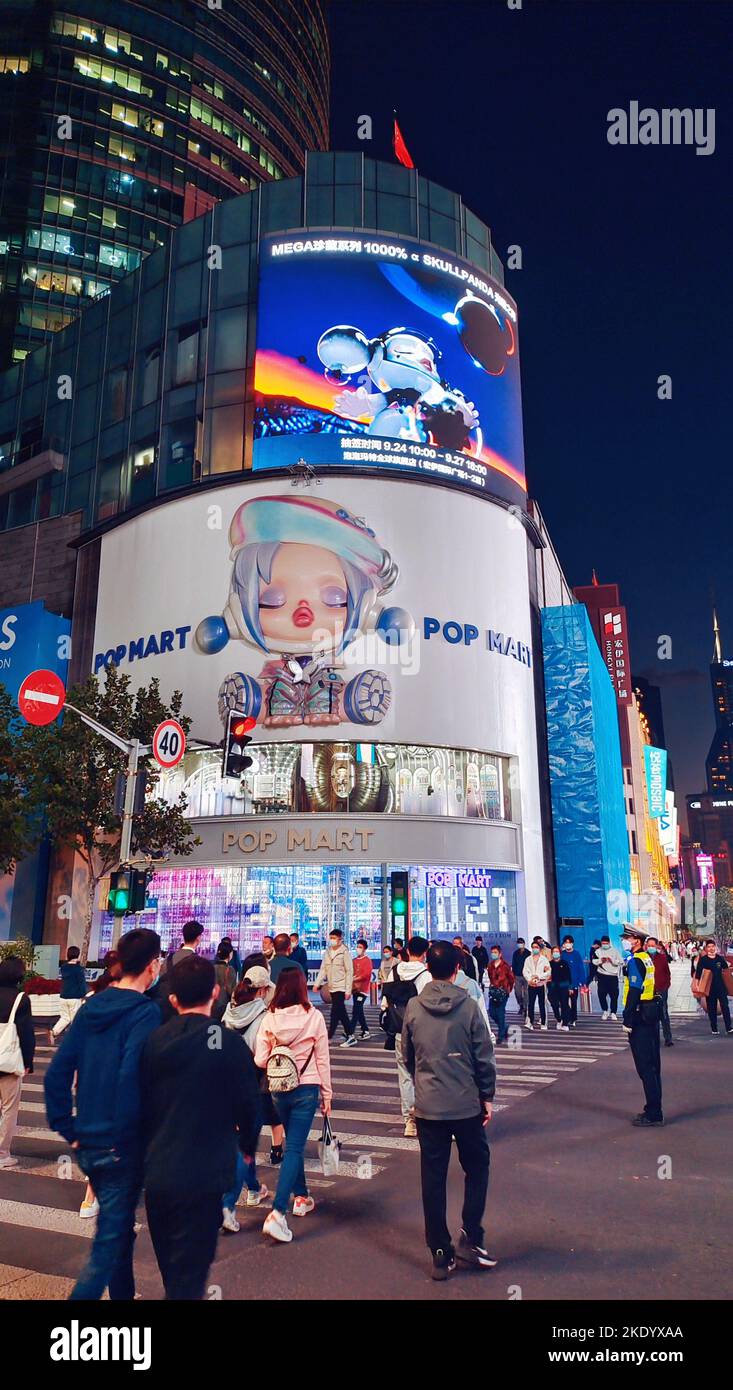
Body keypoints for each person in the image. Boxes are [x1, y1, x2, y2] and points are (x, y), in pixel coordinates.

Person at [44, 927, 162, 1300]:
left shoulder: (92, 1006)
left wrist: (70, 1129)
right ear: (152, 965)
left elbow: (58, 1073)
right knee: (105, 1249)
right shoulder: (145, 1013)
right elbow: (131, 1079)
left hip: (90, 1144)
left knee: (119, 1233)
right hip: (119, 1147)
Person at [141, 955, 260, 1297]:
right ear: (216, 992)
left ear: (173, 999)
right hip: (205, 1175)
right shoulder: (225, 1042)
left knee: (172, 1268)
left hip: (159, 1173)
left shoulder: (154, 1041)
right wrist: (248, 1149)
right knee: (191, 1274)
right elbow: (249, 1107)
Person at [403, 941, 496, 1281]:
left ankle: (440, 1253)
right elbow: (483, 1056)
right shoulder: (469, 1006)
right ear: (458, 969)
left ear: (428, 967)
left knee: (433, 1177)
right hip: (465, 1103)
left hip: (429, 1107)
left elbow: (408, 1056)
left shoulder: (414, 1006)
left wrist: (425, 1083)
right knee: (477, 1166)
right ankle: (471, 1236)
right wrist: (486, 1096)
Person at [255, 967, 332, 1244]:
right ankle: (277, 1213)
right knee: (295, 1147)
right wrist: (327, 1094)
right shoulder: (314, 1017)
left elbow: (260, 1059)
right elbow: (322, 1059)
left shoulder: (270, 1018)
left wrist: (280, 1052)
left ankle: (301, 1197)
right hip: (307, 1088)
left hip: (279, 1089)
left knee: (292, 1144)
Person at [381, 935, 431, 1136]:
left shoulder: (394, 971)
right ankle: (425, 1116)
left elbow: (385, 1002)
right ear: (425, 954)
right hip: (422, 1031)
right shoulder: (426, 975)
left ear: (408, 952)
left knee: (404, 1075)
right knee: (424, 1074)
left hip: (400, 1029)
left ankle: (409, 1121)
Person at [621, 925, 663, 1126]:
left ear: (636, 940)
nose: (624, 941)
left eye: (627, 938)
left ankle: (654, 1113)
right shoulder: (646, 957)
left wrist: (627, 1019)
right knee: (653, 1066)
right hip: (650, 1014)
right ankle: (653, 1108)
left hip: (640, 1017)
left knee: (645, 1067)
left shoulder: (637, 960)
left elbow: (635, 990)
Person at [0, 956, 35, 1170]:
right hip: (9, 1061)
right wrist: (28, 1061)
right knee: (8, 1108)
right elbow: (26, 1034)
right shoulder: (20, 998)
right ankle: (2, 1153)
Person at [314, 928, 356, 1046]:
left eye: (334, 938)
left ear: (340, 939)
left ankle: (331, 1035)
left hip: (341, 986)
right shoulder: (327, 952)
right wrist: (317, 983)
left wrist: (348, 990)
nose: (332, 940)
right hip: (332, 986)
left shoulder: (344, 952)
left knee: (336, 1010)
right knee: (339, 1011)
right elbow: (323, 969)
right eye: (330, 938)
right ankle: (349, 1034)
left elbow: (349, 971)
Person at [694, 939, 733, 1036]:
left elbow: (726, 969)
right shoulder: (703, 960)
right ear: (706, 949)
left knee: (725, 1007)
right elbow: (698, 973)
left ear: (715, 947)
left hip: (721, 988)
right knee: (711, 1009)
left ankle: (729, 1027)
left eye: (712, 946)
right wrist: (697, 985)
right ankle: (714, 1028)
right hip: (709, 989)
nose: (711, 948)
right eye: (709, 947)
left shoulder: (719, 958)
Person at [51, 945, 87, 1042]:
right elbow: (81, 983)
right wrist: (84, 994)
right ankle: (74, 1039)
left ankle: (54, 1031)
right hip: (74, 998)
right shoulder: (79, 969)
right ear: (78, 955)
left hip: (63, 996)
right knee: (75, 1019)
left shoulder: (64, 968)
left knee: (65, 1018)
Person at [646, 937, 674, 1046]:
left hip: (661, 989)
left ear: (657, 946)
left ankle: (668, 1038)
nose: (651, 947)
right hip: (648, 991)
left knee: (663, 1013)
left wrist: (666, 985)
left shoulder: (662, 958)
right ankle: (652, 1038)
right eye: (649, 945)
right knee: (650, 1015)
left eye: (653, 945)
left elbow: (667, 973)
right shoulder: (643, 957)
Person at [486, 947, 514, 1043]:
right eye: (492, 952)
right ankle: (505, 1027)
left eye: (495, 952)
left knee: (500, 1013)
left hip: (503, 992)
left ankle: (501, 1036)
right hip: (494, 992)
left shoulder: (505, 966)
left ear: (500, 954)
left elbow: (511, 978)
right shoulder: (490, 965)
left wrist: (508, 989)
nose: (493, 954)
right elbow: (490, 977)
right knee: (492, 1012)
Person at [523, 942, 550, 1029]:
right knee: (530, 1004)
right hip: (531, 985)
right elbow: (525, 971)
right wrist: (529, 979)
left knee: (542, 1004)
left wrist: (539, 977)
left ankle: (543, 1023)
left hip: (541, 985)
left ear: (539, 948)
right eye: (533, 947)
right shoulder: (528, 959)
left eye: (536, 947)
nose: (535, 949)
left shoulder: (544, 960)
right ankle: (530, 1022)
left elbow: (548, 972)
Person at [561, 935, 586, 1027]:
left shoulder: (576, 954)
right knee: (563, 1001)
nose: (567, 944)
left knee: (573, 1001)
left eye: (569, 942)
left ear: (572, 944)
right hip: (563, 982)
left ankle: (573, 1018)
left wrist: (582, 981)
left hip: (574, 981)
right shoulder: (562, 954)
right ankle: (566, 1017)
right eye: (565, 943)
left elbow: (580, 968)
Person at [596, 935, 622, 1020]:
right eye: (603, 943)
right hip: (602, 975)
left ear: (609, 943)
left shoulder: (615, 951)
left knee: (614, 995)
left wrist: (612, 961)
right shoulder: (598, 951)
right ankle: (605, 1011)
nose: (604, 945)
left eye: (606, 943)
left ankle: (613, 1012)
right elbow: (593, 961)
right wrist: (601, 961)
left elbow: (621, 962)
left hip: (612, 976)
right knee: (601, 994)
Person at [351, 938, 373, 1039]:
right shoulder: (354, 961)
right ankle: (365, 1030)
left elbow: (366, 975)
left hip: (363, 990)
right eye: (357, 947)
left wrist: (356, 978)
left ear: (364, 949)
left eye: (360, 947)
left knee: (356, 1010)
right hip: (354, 989)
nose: (358, 949)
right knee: (359, 1010)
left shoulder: (367, 960)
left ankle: (350, 1031)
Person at [547, 946, 572, 1029]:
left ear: (560, 953)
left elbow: (568, 976)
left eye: (557, 951)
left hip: (563, 987)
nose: (555, 953)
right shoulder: (549, 964)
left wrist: (570, 987)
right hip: (553, 987)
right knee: (554, 1004)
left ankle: (565, 1024)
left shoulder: (564, 963)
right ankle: (558, 1019)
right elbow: (547, 976)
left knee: (564, 1005)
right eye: (554, 952)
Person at [213, 942, 237, 1013]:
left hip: (212, 1005)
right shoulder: (230, 970)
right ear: (230, 954)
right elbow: (232, 991)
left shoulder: (211, 968)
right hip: (224, 1006)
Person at [511, 939, 530, 1019]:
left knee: (526, 993)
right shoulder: (515, 953)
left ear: (524, 944)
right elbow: (513, 964)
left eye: (521, 943)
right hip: (517, 975)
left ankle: (526, 1008)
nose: (520, 945)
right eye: (518, 943)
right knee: (517, 992)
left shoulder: (528, 953)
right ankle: (521, 1004)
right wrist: (513, 974)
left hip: (526, 975)